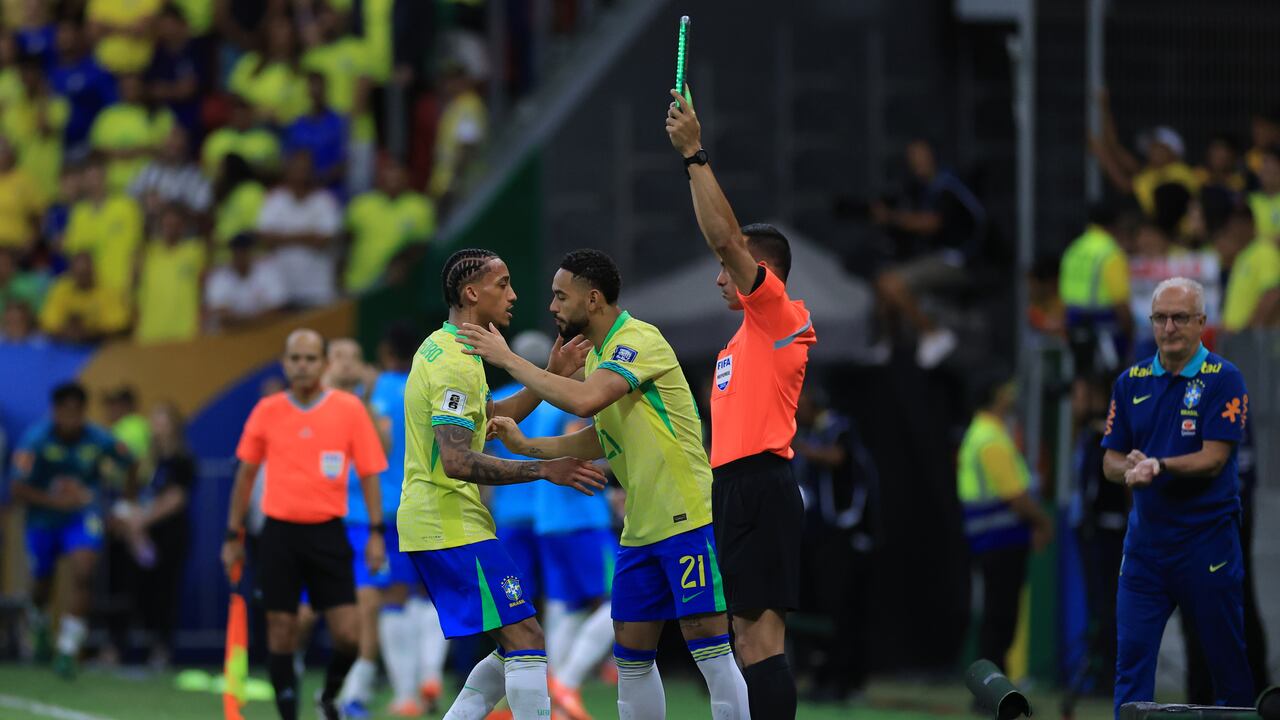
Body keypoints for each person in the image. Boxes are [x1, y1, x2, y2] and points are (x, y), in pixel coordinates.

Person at [464, 248, 751, 720]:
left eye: (561, 296)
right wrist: (529, 447)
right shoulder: (598, 354)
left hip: (685, 514)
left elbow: (586, 400)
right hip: (641, 526)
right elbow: (602, 433)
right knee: (631, 653)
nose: (552, 306)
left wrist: (509, 360)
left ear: (593, 299)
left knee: (708, 643)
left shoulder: (637, 339)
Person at [396, 248, 606, 720]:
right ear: (472, 292)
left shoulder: (454, 351)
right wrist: (544, 469)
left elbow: (489, 420)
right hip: (447, 521)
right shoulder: (451, 362)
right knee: (526, 637)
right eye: (502, 284)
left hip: (450, 519)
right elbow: (455, 459)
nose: (513, 295)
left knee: (519, 637)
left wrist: (549, 376)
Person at [666, 85, 815, 717]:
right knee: (740, 638)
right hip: (731, 488)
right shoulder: (736, 344)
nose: (719, 276)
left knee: (759, 640)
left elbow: (726, 238)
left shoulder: (779, 314)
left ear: (763, 272)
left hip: (762, 483)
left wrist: (694, 152)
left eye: (730, 269)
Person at [1101, 277, 1255, 717]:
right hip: (1146, 549)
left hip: (1206, 544)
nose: (1169, 328)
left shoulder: (1224, 378)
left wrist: (1159, 465)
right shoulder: (1130, 382)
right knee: (1131, 661)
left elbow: (1214, 458)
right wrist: (1129, 469)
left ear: (1202, 322)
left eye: (1180, 318)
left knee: (1226, 663)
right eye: (1161, 318)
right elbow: (1109, 460)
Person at [221, 329, 390, 720]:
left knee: (349, 634)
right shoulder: (268, 410)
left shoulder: (348, 409)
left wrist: (377, 535)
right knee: (282, 630)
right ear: (284, 364)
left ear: (324, 364)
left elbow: (369, 473)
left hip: (328, 532)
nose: (302, 366)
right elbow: (245, 476)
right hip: (278, 533)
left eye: (310, 359)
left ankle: (329, 696)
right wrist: (233, 534)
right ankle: (288, 715)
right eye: (295, 359)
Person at [486, 331, 617, 717]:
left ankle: (554, 701)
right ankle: (568, 681)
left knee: (562, 608)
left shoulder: (535, 402)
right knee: (620, 600)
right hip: (581, 518)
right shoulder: (574, 399)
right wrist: (624, 455)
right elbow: (581, 451)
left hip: (547, 522)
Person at [10, 382, 136, 677]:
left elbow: (130, 461)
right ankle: (38, 621)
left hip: (82, 517)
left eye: (75, 412)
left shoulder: (99, 438)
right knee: (42, 584)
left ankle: (67, 649)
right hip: (42, 520)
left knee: (84, 572)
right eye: (63, 412)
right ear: (54, 412)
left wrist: (126, 504)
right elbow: (17, 487)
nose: (69, 419)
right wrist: (55, 501)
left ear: (83, 412)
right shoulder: (35, 440)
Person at [957, 372, 1053, 672]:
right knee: (999, 617)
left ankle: (994, 689)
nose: (1012, 395)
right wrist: (1043, 522)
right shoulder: (990, 438)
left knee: (997, 616)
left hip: (996, 539)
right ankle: (992, 691)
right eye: (1006, 390)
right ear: (995, 395)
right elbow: (1015, 495)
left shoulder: (988, 433)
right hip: (998, 540)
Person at [792, 385, 878, 704]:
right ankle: (823, 676)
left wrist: (796, 445)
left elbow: (837, 457)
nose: (797, 409)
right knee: (821, 609)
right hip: (817, 535)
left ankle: (843, 681)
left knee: (842, 609)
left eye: (801, 402)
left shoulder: (838, 427)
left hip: (843, 533)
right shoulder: (812, 432)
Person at [869, 138, 986, 368]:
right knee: (883, 285)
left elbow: (932, 223)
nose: (917, 164)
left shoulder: (948, 186)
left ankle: (933, 333)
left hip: (960, 260)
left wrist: (892, 218)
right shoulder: (922, 189)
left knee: (890, 282)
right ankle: (889, 342)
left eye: (921, 157)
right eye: (912, 159)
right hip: (942, 257)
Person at [103, 402, 194, 669]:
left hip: (168, 536)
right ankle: (117, 647)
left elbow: (175, 498)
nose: (155, 426)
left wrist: (141, 520)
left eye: (161, 420)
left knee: (163, 593)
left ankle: (160, 649)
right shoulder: (144, 460)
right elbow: (133, 492)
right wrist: (128, 519)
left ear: (174, 426)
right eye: (153, 420)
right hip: (136, 536)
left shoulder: (182, 460)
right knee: (129, 590)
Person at [1061, 201, 1136, 419]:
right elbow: (1120, 301)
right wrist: (1130, 331)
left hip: (1074, 323)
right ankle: (1101, 439)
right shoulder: (1110, 253)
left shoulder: (1074, 249)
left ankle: (1081, 441)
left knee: (1082, 380)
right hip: (1105, 326)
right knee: (1107, 384)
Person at [256, 151, 342, 308]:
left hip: (317, 290)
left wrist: (282, 237)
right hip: (282, 289)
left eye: (305, 169)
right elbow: (265, 239)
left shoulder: (324, 201)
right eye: (296, 169)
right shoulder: (275, 199)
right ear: (287, 171)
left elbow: (322, 241)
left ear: (312, 172)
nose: (300, 174)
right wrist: (307, 235)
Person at [343, 156, 435, 294]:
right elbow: (346, 242)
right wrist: (339, 276)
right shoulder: (361, 204)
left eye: (397, 176)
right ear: (379, 178)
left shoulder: (420, 206)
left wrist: (401, 260)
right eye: (388, 176)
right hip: (358, 285)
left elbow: (423, 244)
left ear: (406, 178)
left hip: (400, 289)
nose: (393, 181)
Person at [62, 155, 144, 298]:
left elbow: (137, 248)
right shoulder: (79, 213)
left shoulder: (126, 207)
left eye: (97, 176)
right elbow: (75, 253)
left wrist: (133, 283)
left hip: (121, 288)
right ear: (83, 181)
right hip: (93, 295)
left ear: (105, 176)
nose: (94, 182)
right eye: (89, 177)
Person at [134, 202, 207, 344]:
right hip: (150, 335)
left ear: (183, 227)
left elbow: (204, 289)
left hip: (186, 334)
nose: (171, 230)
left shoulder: (195, 251)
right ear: (160, 226)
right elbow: (135, 288)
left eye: (176, 225)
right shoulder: (147, 253)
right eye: (167, 225)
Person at [38, 251, 131, 343]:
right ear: (71, 273)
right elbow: (48, 324)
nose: (83, 278)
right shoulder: (60, 289)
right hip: (66, 346)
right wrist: (67, 331)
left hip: (100, 346)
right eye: (79, 274)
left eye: (86, 273)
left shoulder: (108, 290)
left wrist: (89, 333)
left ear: (94, 271)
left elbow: (120, 327)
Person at [204, 232, 287, 332]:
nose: (241, 255)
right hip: (229, 337)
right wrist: (254, 320)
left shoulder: (268, 270)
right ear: (232, 253)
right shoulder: (219, 277)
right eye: (237, 251)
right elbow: (222, 316)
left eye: (244, 250)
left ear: (252, 252)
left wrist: (242, 320)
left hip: (263, 333)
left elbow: (277, 310)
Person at [128, 125, 212, 220]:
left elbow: (202, 209)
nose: (172, 148)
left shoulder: (196, 176)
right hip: (150, 230)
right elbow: (130, 195)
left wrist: (169, 206)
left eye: (177, 145)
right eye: (169, 144)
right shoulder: (150, 170)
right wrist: (144, 198)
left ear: (186, 147)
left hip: (185, 232)